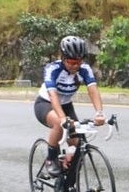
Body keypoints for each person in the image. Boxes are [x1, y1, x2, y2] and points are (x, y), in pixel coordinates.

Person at [34, 35, 106, 177]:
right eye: (72, 62)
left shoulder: (84, 69)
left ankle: (69, 183)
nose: (75, 66)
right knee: (59, 124)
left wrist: (99, 113)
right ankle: (51, 158)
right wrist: (62, 119)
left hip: (66, 105)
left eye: (78, 62)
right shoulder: (52, 69)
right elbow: (53, 96)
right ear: (63, 58)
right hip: (46, 104)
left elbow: (93, 91)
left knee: (77, 144)